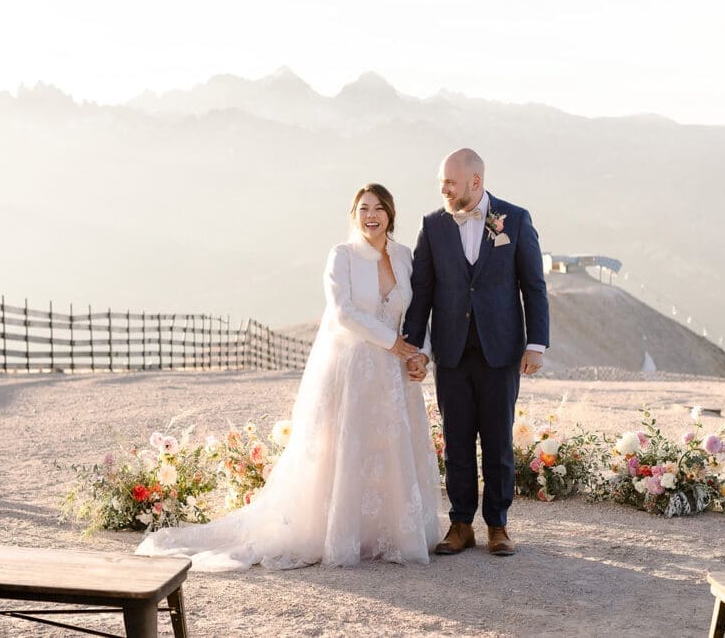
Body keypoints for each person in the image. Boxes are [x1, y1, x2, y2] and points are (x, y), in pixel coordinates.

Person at [137, 184, 441, 570]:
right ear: (353, 214)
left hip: (394, 376)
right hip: (354, 372)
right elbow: (343, 312)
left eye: (379, 208)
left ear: (390, 214)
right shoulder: (342, 256)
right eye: (363, 208)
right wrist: (391, 343)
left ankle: (387, 533)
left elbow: (416, 314)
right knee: (347, 450)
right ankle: (342, 533)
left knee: (388, 449)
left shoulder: (403, 257)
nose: (371, 214)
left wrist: (420, 355)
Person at [403, 148, 550, 556]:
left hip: (500, 350)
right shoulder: (432, 225)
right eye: (441, 183)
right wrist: (415, 347)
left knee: (498, 441)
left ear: (475, 182)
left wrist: (535, 344)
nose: (444, 189)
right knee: (456, 441)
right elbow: (423, 291)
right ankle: (461, 523)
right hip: (451, 351)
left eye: (450, 182)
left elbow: (533, 285)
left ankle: (498, 526)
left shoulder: (514, 219)